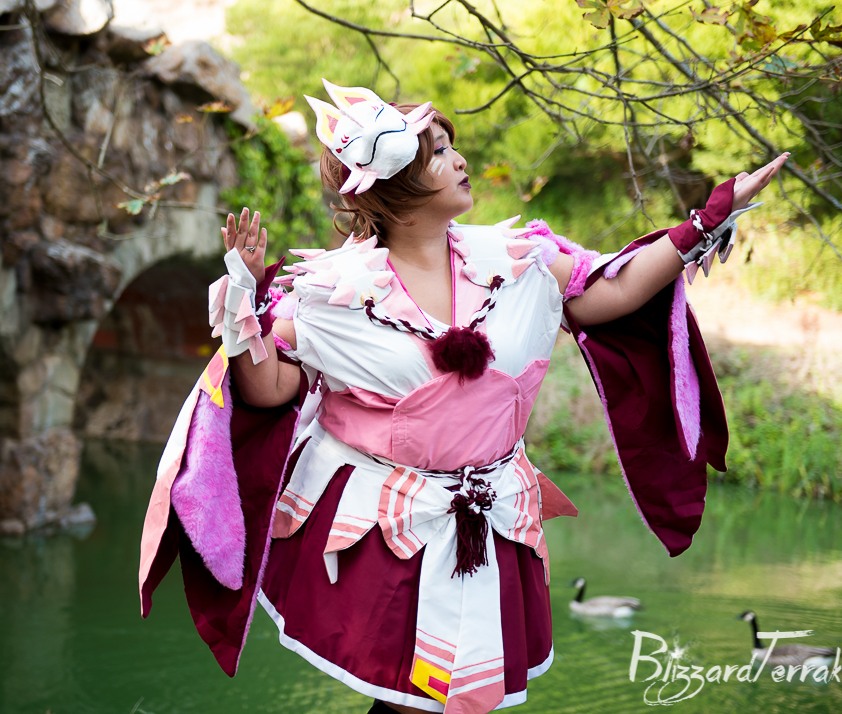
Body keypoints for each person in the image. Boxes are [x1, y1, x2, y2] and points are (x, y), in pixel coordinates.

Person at [138, 80, 788, 714]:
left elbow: (615, 290)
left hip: (493, 512)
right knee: (417, 699)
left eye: (452, 147)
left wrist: (706, 220)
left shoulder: (522, 263)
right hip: (386, 526)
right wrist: (242, 305)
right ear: (395, 187)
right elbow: (268, 389)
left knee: (458, 700)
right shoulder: (331, 295)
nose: (460, 160)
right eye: (439, 153)